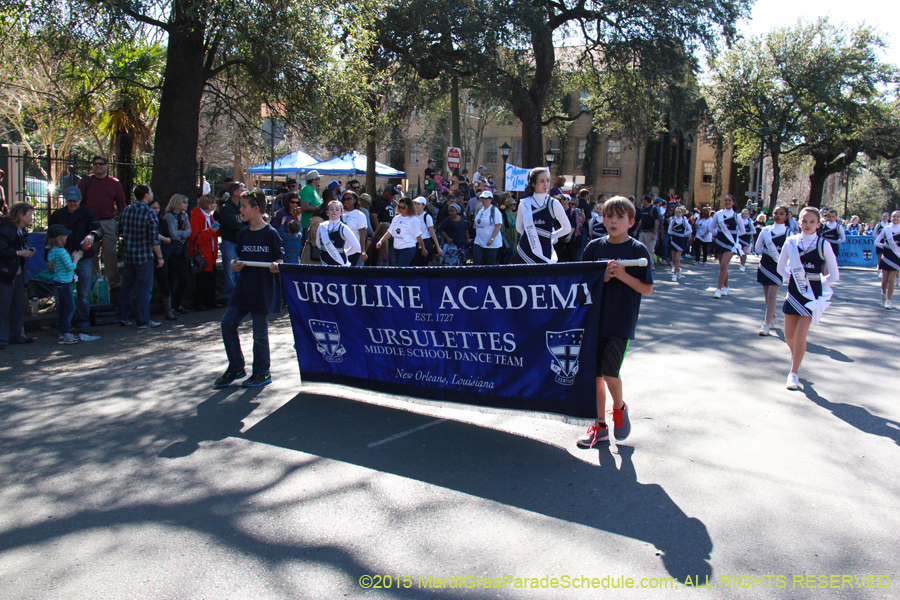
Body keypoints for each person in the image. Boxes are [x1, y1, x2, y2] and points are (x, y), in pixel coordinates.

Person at [577, 196, 653, 448]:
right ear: (602, 218)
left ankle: (619, 409)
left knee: (610, 372)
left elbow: (647, 289)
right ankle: (599, 426)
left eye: (620, 217)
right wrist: (603, 279)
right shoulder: (593, 248)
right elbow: (582, 285)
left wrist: (622, 275)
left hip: (621, 322)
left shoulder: (637, 250)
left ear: (631, 222)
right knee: (595, 377)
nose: (613, 221)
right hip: (595, 321)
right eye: (609, 216)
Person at [215, 191, 283, 389]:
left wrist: (276, 265)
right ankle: (236, 366)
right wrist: (235, 265)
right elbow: (239, 259)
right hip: (243, 288)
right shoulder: (243, 233)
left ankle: (262, 372)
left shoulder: (271, 234)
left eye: (243, 206)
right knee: (227, 323)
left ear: (255, 209)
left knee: (259, 334)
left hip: (262, 289)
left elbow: (279, 258)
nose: (240, 210)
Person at [777, 206, 840, 390]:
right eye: (804, 221)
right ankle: (796, 355)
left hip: (812, 295)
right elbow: (781, 268)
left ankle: (793, 373)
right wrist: (794, 279)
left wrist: (819, 282)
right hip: (794, 292)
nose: (808, 225)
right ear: (799, 222)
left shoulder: (823, 244)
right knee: (789, 336)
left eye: (812, 222)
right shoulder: (790, 242)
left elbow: (834, 275)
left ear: (818, 224)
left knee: (800, 335)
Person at [48, 186, 103, 339]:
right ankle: (63, 325)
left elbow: (98, 230)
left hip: (82, 256)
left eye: (75, 200)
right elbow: (50, 237)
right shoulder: (57, 215)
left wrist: (92, 235)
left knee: (84, 293)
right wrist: (48, 257)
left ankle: (83, 323)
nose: (72, 203)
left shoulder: (88, 213)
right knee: (61, 294)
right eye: (69, 200)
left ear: (80, 199)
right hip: (62, 257)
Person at [116, 184, 165, 329]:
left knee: (127, 287)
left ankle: (122, 316)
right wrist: (160, 257)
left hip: (129, 254)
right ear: (146, 195)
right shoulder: (149, 213)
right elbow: (154, 239)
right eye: (150, 191)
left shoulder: (126, 210)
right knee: (144, 289)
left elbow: (120, 230)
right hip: (144, 255)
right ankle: (143, 320)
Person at [77, 155, 126, 288]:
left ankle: (113, 283)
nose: (98, 166)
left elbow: (121, 205)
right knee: (91, 253)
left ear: (106, 165)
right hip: (90, 223)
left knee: (110, 253)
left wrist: (121, 224)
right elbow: (77, 202)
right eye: (95, 164)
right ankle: (94, 283)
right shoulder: (85, 181)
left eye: (101, 164)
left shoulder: (114, 183)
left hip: (108, 222)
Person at [512, 167, 572, 264]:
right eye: (541, 181)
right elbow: (519, 227)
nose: (546, 184)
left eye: (547, 180)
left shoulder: (554, 203)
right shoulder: (524, 203)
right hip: (525, 251)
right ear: (533, 183)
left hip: (544, 250)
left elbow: (567, 228)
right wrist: (530, 237)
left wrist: (549, 237)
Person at [45, 224, 83, 344]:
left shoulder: (52, 251)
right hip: (65, 282)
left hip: (58, 281)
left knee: (63, 308)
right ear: (60, 237)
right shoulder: (62, 252)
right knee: (70, 307)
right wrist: (75, 258)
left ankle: (62, 332)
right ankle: (65, 332)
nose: (66, 237)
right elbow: (70, 267)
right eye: (64, 235)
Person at [755, 205, 789, 335]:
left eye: (781, 214)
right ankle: (773, 317)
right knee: (767, 297)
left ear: (786, 217)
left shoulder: (789, 233)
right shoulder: (765, 231)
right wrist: (768, 251)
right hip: (765, 266)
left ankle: (766, 324)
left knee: (772, 295)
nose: (778, 216)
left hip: (778, 267)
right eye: (776, 213)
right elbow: (757, 249)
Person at [710, 194, 746, 298]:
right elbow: (711, 227)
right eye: (726, 200)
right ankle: (726, 287)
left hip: (731, 244)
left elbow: (742, 231)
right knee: (722, 266)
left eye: (729, 200)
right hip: (720, 243)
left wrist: (734, 237)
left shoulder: (736, 216)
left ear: (733, 203)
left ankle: (718, 289)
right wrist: (718, 235)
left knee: (724, 265)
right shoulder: (718, 214)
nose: (727, 202)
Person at [147, 196, 176, 321]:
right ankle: (144, 311)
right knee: (146, 285)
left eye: (158, 208)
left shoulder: (162, 221)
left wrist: (163, 238)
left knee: (165, 282)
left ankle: (168, 309)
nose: (156, 210)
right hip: (149, 255)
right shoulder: (147, 220)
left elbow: (170, 238)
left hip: (163, 254)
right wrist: (161, 238)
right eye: (153, 208)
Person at [188, 195, 220, 311]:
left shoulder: (209, 216)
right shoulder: (196, 218)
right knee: (202, 280)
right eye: (213, 203)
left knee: (211, 278)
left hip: (210, 252)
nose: (215, 205)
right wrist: (211, 231)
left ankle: (209, 300)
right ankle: (199, 302)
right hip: (202, 253)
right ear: (207, 204)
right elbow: (195, 238)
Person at [163, 194, 192, 316]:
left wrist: (180, 233)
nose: (186, 205)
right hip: (172, 252)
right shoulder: (169, 216)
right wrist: (182, 232)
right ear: (177, 203)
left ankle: (178, 304)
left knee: (184, 278)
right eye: (184, 203)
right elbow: (172, 234)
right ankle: (170, 306)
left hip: (182, 251)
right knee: (171, 279)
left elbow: (189, 232)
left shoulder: (184, 215)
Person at [376, 197, 427, 266]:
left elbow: (418, 236)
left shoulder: (414, 219)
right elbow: (389, 232)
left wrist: (423, 248)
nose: (401, 209)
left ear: (409, 207)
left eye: (403, 207)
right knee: (401, 269)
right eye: (399, 207)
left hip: (408, 248)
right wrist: (381, 241)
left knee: (400, 268)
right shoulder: (396, 218)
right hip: (396, 248)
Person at [218, 182, 247, 301]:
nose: (243, 192)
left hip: (239, 242)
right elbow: (234, 225)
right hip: (230, 242)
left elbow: (246, 220)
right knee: (230, 271)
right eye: (241, 190)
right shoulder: (226, 208)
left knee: (240, 270)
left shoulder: (240, 206)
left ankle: (239, 295)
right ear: (235, 192)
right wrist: (244, 225)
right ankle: (230, 297)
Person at [316, 200, 362, 267]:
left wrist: (345, 253)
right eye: (331, 209)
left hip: (339, 263)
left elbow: (357, 247)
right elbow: (318, 244)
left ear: (341, 213)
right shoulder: (322, 226)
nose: (334, 211)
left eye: (337, 209)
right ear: (327, 212)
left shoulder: (344, 228)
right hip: (324, 261)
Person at [874, 210, 900, 309]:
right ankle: (883, 293)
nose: (896, 218)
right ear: (891, 218)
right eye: (894, 216)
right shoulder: (887, 229)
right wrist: (885, 246)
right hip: (887, 256)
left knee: (891, 280)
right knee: (884, 280)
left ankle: (889, 301)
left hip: (897, 256)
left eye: (898, 216)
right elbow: (876, 242)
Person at [472, 191, 502, 265]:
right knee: (477, 261)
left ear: (490, 199)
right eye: (482, 198)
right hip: (479, 241)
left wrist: (491, 239)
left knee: (490, 263)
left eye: (486, 198)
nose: (484, 200)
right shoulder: (480, 210)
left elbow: (498, 225)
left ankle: (491, 276)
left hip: (491, 243)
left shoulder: (495, 211)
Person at [412, 196, 442, 266]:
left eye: (418, 204)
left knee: (424, 264)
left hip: (425, 242)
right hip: (414, 243)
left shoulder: (427, 216)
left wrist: (438, 247)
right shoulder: (412, 216)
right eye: (415, 203)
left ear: (423, 205)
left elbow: (432, 232)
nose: (416, 205)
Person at [340, 190, 368, 265]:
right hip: (342, 249)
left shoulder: (360, 215)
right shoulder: (340, 214)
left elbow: (362, 235)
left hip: (354, 249)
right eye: (344, 199)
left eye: (349, 199)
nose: (346, 201)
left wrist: (363, 252)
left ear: (355, 200)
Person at [667, 205, 690, 281]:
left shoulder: (684, 221)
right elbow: (669, 231)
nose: (678, 214)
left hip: (681, 240)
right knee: (673, 259)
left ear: (682, 213)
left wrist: (683, 234)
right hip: (674, 240)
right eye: (676, 212)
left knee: (677, 258)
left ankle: (674, 274)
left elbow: (690, 230)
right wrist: (674, 233)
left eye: (679, 212)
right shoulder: (673, 221)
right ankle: (678, 269)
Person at [299, 170, 323, 239]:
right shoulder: (306, 189)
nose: (319, 180)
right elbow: (304, 207)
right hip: (307, 225)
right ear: (314, 179)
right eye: (318, 179)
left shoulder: (313, 189)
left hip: (313, 225)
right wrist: (319, 209)